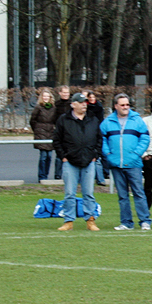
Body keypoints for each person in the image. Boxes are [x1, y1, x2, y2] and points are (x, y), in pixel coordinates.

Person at [51, 92, 101, 232]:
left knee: (89, 193)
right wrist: (63, 156)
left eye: (85, 102)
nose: (84, 104)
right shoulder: (63, 120)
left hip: (88, 161)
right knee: (69, 193)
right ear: (73, 104)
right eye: (81, 102)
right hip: (70, 162)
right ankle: (69, 221)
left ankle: (90, 220)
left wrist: (95, 155)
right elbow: (57, 140)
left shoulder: (93, 119)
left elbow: (99, 139)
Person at [101, 93, 152, 231]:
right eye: (122, 105)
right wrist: (109, 155)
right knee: (122, 196)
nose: (125, 107)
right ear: (116, 106)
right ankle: (126, 222)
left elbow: (145, 139)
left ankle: (145, 221)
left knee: (139, 193)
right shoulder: (107, 122)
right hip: (116, 164)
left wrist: (136, 154)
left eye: (127, 105)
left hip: (134, 164)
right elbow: (102, 140)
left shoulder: (137, 120)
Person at [29, 88, 58, 182]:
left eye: (47, 96)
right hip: (41, 132)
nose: (46, 98)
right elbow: (32, 120)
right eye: (44, 96)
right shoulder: (38, 107)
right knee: (43, 156)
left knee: (49, 156)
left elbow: (55, 120)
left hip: (50, 132)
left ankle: (46, 174)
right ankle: (42, 176)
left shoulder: (54, 108)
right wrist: (37, 130)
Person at [84, 90, 108, 185]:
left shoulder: (98, 107)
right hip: (90, 132)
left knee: (99, 157)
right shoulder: (86, 107)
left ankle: (102, 176)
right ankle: (100, 178)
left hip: (97, 131)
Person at [53, 85, 72, 180]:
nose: (65, 94)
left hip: (70, 131)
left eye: (67, 92)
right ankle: (58, 174)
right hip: (60, 131)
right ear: (60, 93)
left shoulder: (72, 104)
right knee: (59, 154)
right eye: (63, 92)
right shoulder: (56, 104)